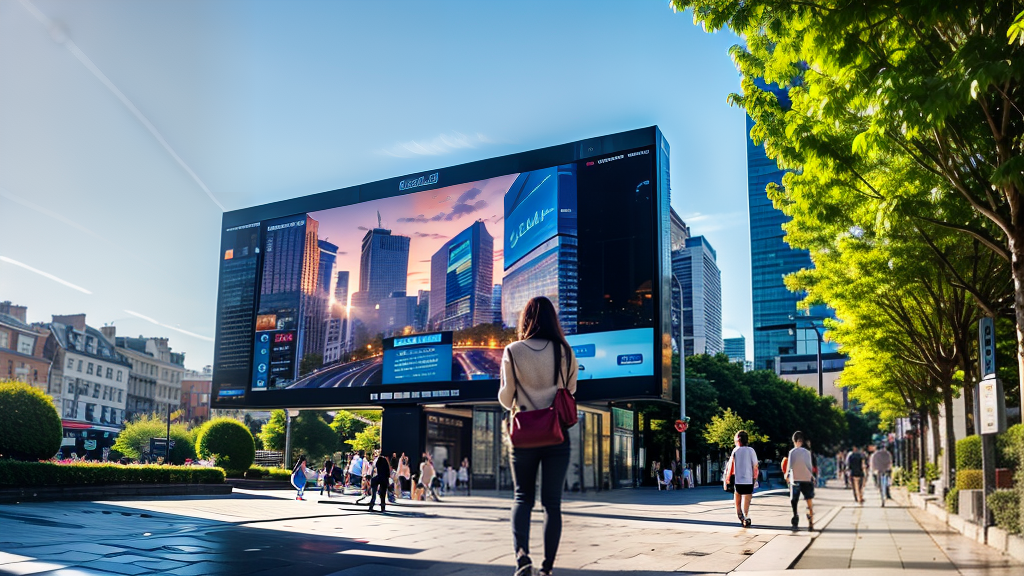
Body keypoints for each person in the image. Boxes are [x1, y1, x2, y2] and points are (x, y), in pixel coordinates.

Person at [498, 296, 578, 576]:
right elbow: (570, 390)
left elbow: (507, 400)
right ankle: (547, 568)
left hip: (523, 435)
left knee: (522, 498)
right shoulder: (565, 351)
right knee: (552, 504)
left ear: (526, 319)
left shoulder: (512, 350)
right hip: (557, 435)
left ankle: (523, 559)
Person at [723, 430, 759, 527]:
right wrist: (754, 478)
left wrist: (727, 479)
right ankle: (746, 516)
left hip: (738, 480)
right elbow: (755, 466)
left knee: (737, 499)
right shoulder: (751, 450)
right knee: (747, 500)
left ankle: (740, 516)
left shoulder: (736, 450)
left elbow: (730, 466)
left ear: (737, 440)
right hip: (748, 480)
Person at [786, 431, 816, 530]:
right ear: (802, 441)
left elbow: (789, 466)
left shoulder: (792, 452)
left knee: (794, 500)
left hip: (795, 480)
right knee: (808, 499)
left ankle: (795, 516)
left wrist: (786, 475)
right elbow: (809, 466)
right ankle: (810, 517)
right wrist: (812, 476)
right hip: (806, 479)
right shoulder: (807, 452)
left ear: (794, 441)